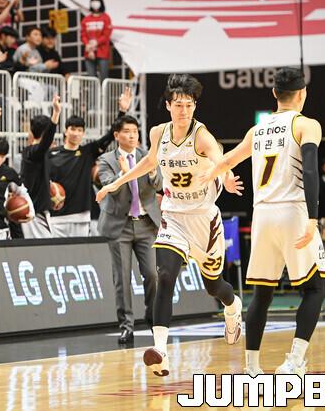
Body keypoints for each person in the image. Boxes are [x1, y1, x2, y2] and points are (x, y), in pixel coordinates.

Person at [97, 74, 244, 376]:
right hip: (174, 216)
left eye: (189, 105)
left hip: (203, 220)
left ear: (195, 106)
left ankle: (232, 307)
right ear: (168, 106)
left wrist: (226, 177)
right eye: (178, 105)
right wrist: (117, 183)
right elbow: (150, 162)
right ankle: (161, 351)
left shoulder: (201, 136)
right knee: (164, 277)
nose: (184, 110)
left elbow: (220, 158)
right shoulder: (158, 133)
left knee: (214, 286)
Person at [200, 67, 325, 378]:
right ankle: (294, 361)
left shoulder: (258, 129)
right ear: (303, 93)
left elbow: (227, 160)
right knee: (315, 289)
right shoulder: (306, 124)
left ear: (274, 94)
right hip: (294, 211)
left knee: (262, 293)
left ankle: (251, 368)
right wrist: (313, 217)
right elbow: (310, 170)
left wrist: (211, 175)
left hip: (263, 216)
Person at [96, 115, 162, 344]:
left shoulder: (148, 156)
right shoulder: (106, 160)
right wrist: (123, 174)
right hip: (119, 225)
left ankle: (153, 319)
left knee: (152, 274)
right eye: (127, 131)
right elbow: (109, 189)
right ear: (117, 135)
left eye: (135, 131)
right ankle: (126, 326)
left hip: (146, 224)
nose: (132, 135)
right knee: (122, 278)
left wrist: (152, 171)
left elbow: (159, 185)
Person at [48, 88, 131, 238]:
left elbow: (110, 136)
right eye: (73, 129)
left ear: (83, 133)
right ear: (66, 131)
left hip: (81, 215)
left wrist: (122, 112)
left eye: (80, 130)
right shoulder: (52, 154)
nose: (76, 133)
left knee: (80, 251)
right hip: (56, 216)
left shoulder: (87, 152)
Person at [20, 95, 62, 238]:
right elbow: (46, 141)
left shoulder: (34, 153)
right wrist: (56, 114)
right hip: (34, 215)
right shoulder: (34, 152)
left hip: (38, 212)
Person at [80, 0, 113, 80]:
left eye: (97, 0)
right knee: (92, 79)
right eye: (93, 0)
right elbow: (83, 35)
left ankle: (103, 90)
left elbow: (106, 34)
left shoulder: (106, 18)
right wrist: (88, 45)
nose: (95, 2)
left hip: (103, 52)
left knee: (104, 78)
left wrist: (96, 42)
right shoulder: (86, 19)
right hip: (89, 52)